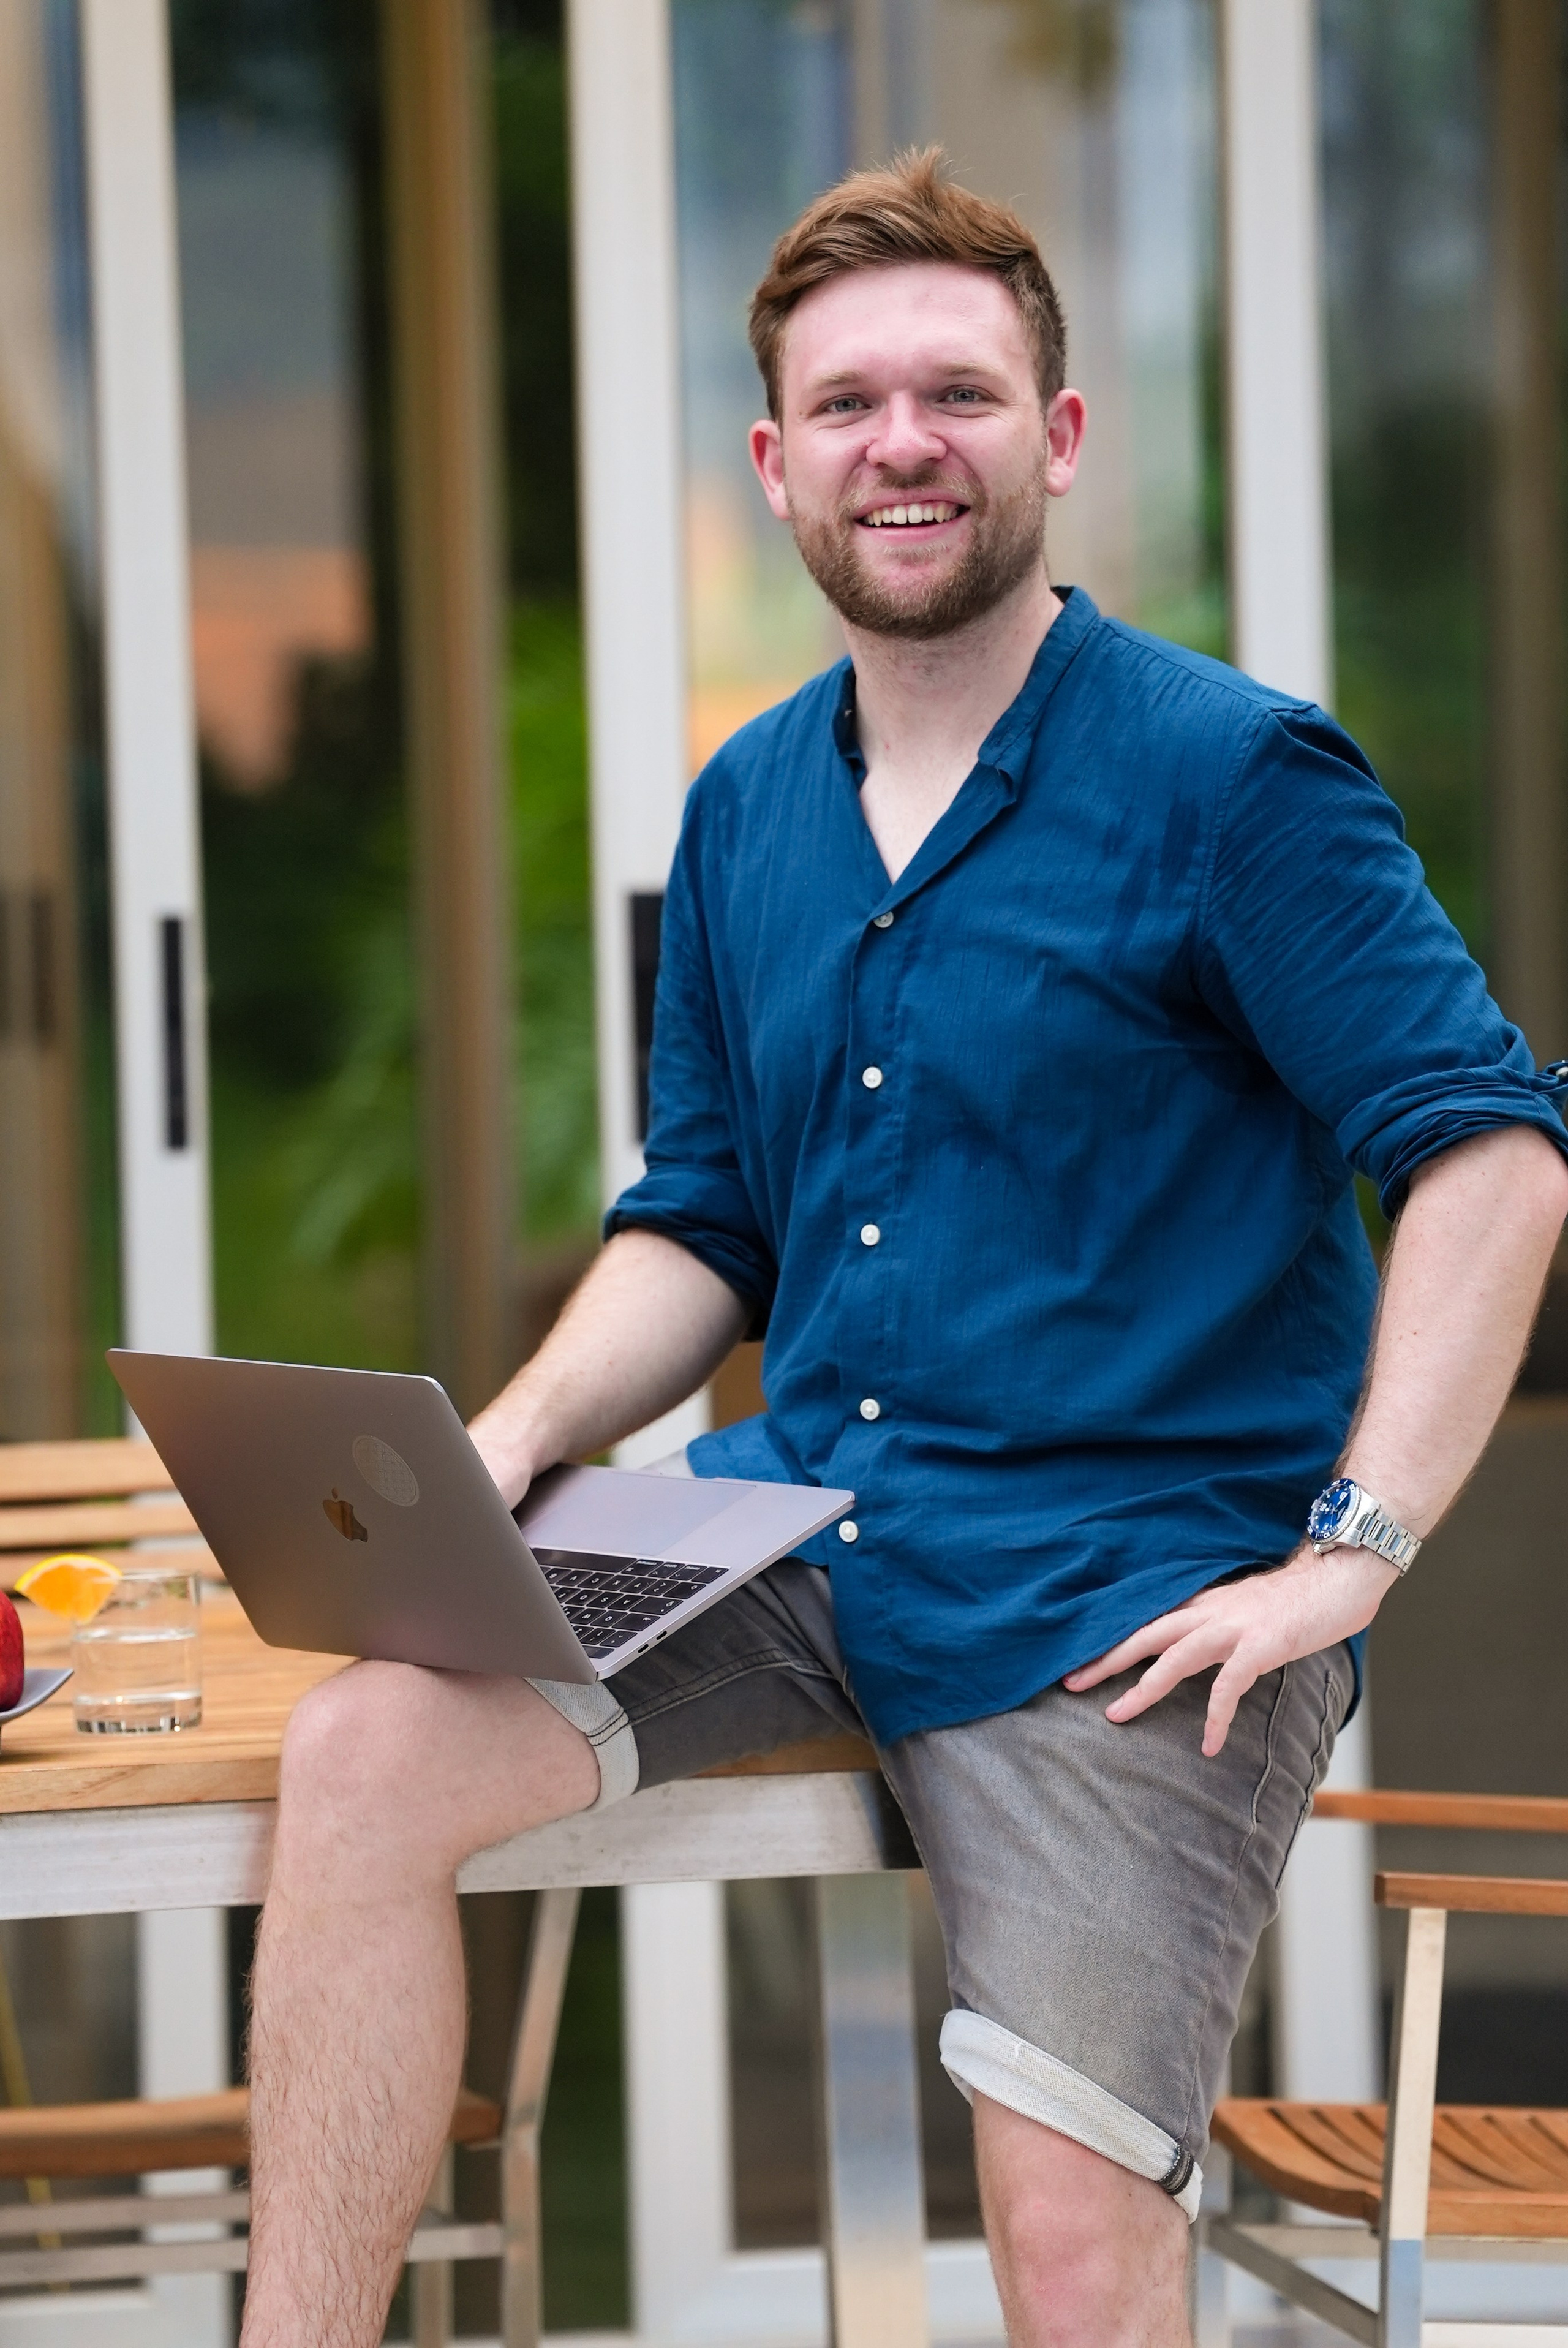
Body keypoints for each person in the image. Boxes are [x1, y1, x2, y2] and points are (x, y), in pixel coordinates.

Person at [239, 152, 1568, 2348]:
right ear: (775, 464)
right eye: (849, 404)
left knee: (1065, 2237)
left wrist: (1357, 1544)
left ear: (1055, 434)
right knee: (359, 1754)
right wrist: (510, 1439)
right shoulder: (745, 801)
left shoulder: (1239, 781)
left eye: (958, 392)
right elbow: (707, 1221)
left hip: (1132, 1584)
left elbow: (1495, 1156)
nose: (904, 443)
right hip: (800, 1515)